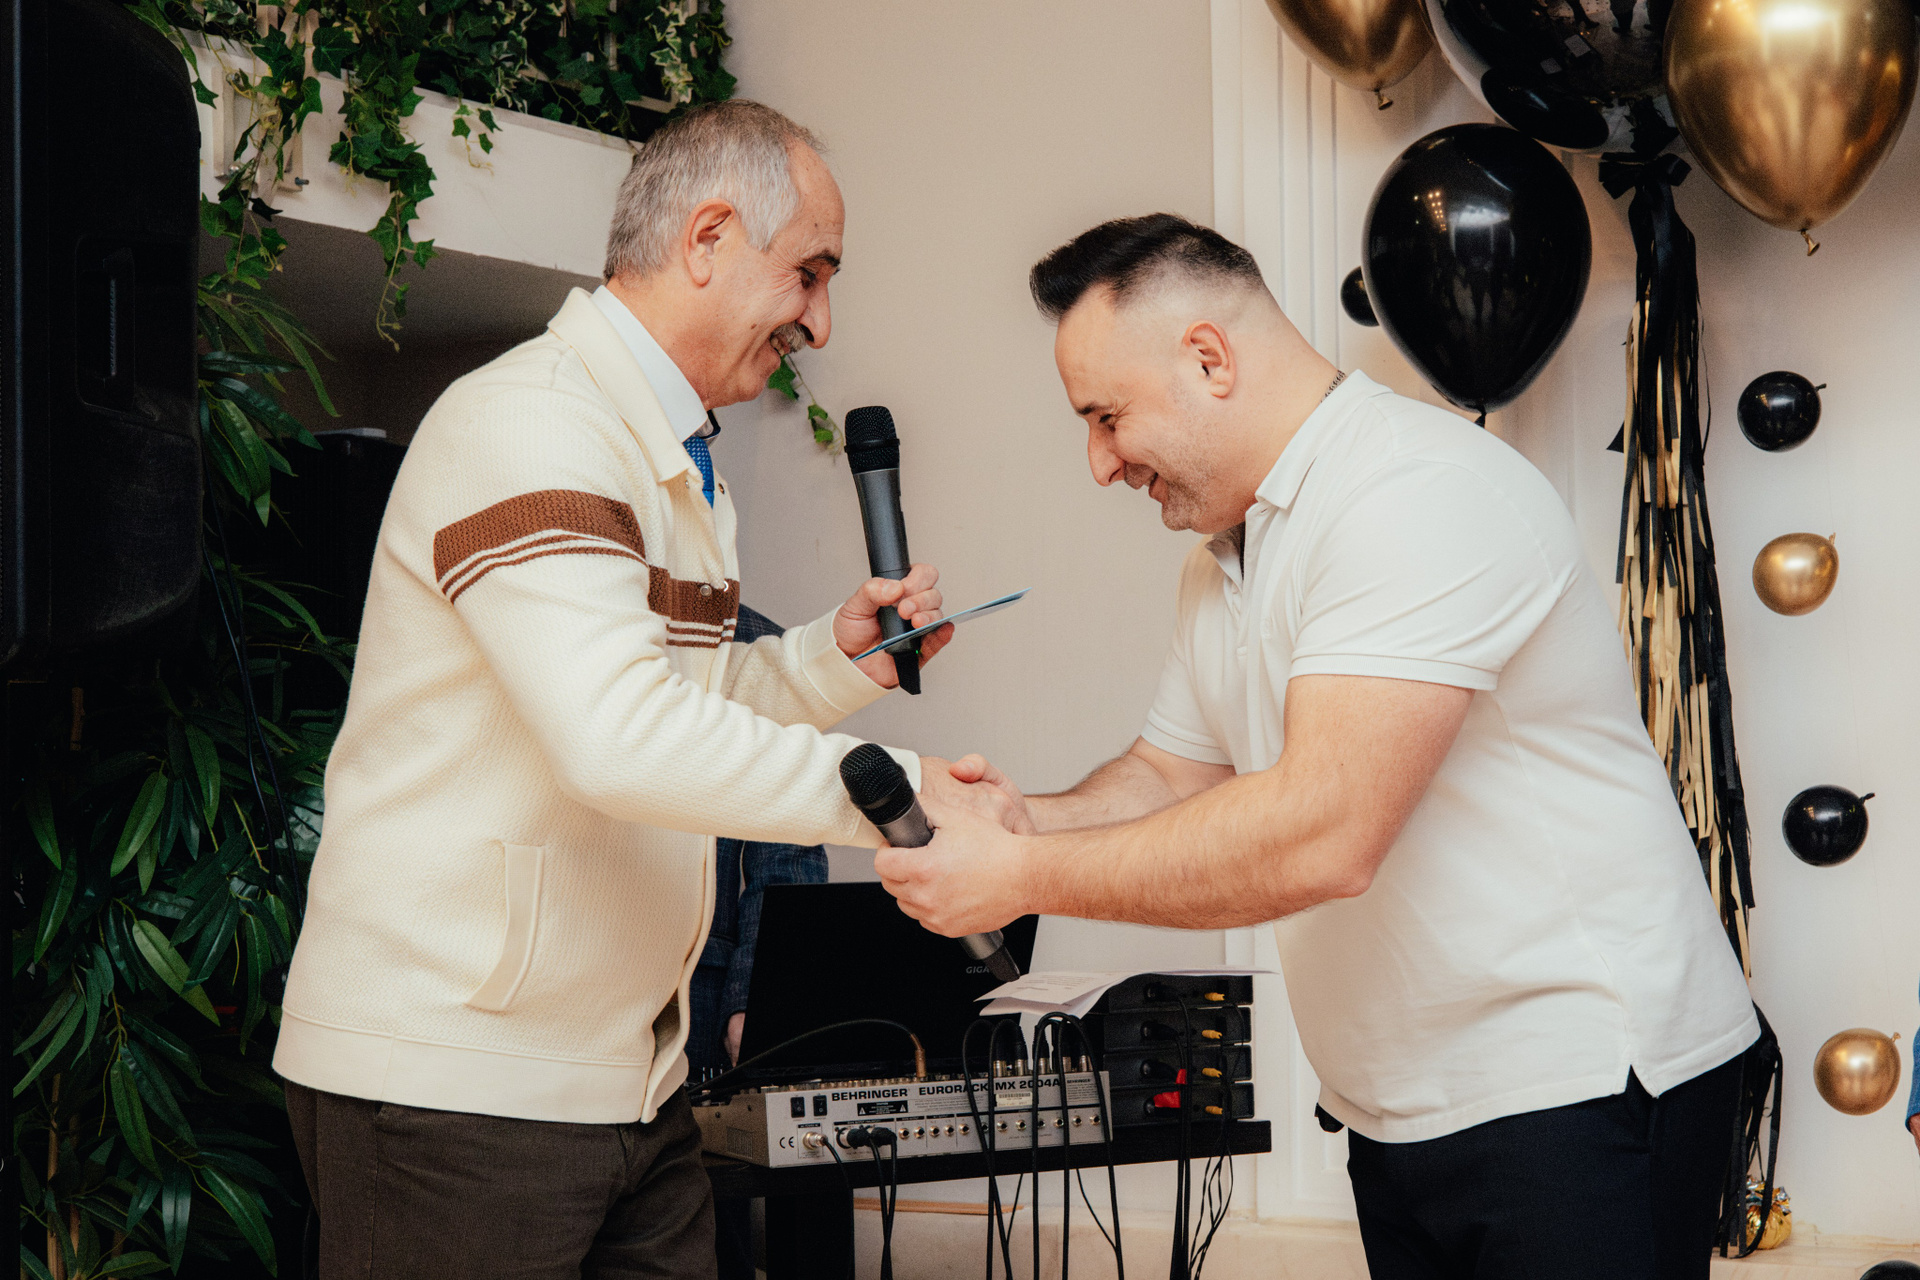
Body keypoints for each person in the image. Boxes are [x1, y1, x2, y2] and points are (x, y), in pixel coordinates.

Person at [879, 214, 1761, 1280]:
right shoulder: (1224, 556)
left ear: (1209, 358)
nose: (1100, 462)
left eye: (1108, 417)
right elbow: (1170, 773)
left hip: (1575, 1087)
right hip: (1397, 1109)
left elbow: (1326, 833)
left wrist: (1021, 877)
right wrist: (1022, 820)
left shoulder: (1412, 492)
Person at [273, 101, 1012, 1280]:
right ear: (708, 237)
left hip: (631, 1083)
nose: (821, 320)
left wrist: (827, 663)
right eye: (811, 272)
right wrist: (904, 795)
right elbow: (617, 736)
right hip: (459, 1090)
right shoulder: (534, 424)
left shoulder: (672, 459)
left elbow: (681, 705)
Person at [687, 605, 829, 1280]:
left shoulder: (754, 641)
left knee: (713, 1236)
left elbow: (787, 862)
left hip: (702, 1001)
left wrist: (755, 1002)